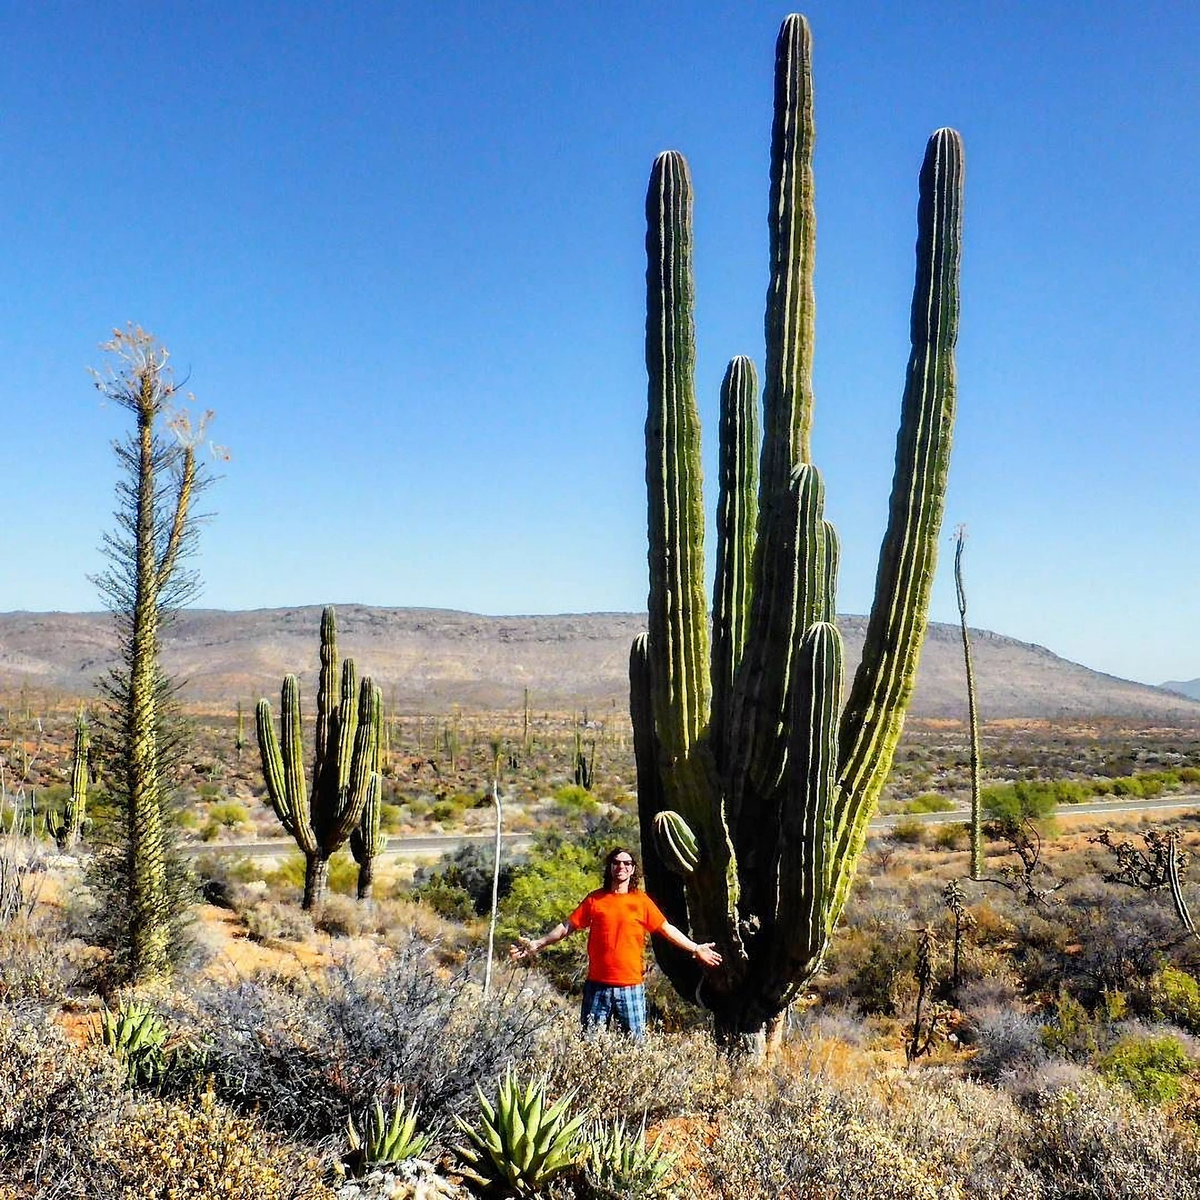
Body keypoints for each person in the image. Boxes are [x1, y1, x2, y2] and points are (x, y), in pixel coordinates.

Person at [510, 846, 722, 1037]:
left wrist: (695, 948)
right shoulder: (595, 899)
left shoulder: (641, 901)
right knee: (589, 1043)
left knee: (635, 1044)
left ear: (632, 870)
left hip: (630, 986)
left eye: (626, 863)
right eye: (616, 862)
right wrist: (538, 943)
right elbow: (567, 927)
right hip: (597, 986)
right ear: (610, 868)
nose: (621, 866)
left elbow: (667, 929)